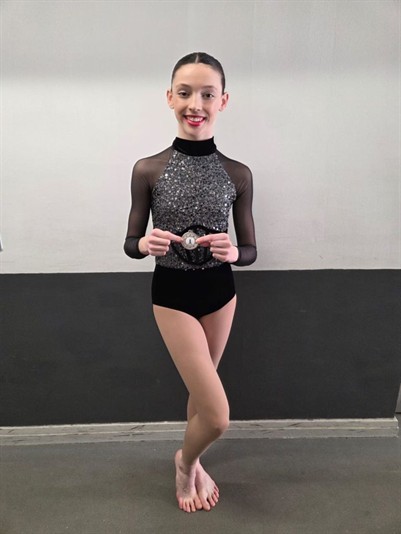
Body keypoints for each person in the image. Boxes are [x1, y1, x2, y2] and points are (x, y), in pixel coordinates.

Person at [124, 52, 257, 513]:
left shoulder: (237, 174)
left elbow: (250, 250)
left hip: (220, 294)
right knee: (217, 416)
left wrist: (234, 252)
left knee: (201, 400)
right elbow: (130, 242)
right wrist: (145, 244)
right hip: (173, 295)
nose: (195, 104)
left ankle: (194, 462)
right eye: (184, 93)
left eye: (206, 94)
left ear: (223, 100)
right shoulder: (148, 169)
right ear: (169, 97)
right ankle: (184, 462)